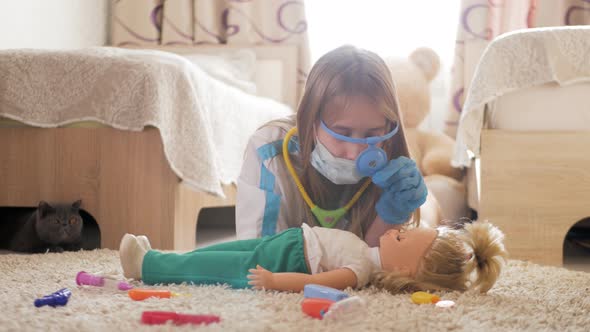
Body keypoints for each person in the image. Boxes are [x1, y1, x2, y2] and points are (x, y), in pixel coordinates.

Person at [236, 45, 440, 246]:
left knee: (431, 209)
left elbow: (380, 261)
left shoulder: (391, 163)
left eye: (372, 135)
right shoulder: (269, 151)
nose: (355, 153)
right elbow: (259, 258)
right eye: (343, 134)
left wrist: (391, 215)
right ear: (311, 121)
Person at [119, 220, 507, 293]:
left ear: (404, 267)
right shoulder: (365, 251)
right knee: (216, 250)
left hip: (283, 263)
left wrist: (274, 282)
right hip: (285, 244)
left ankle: (146, 266)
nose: (394, 230)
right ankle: (157, 255)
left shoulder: (359, 270)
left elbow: (318, 282)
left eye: (402, 236)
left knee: (211, 268)